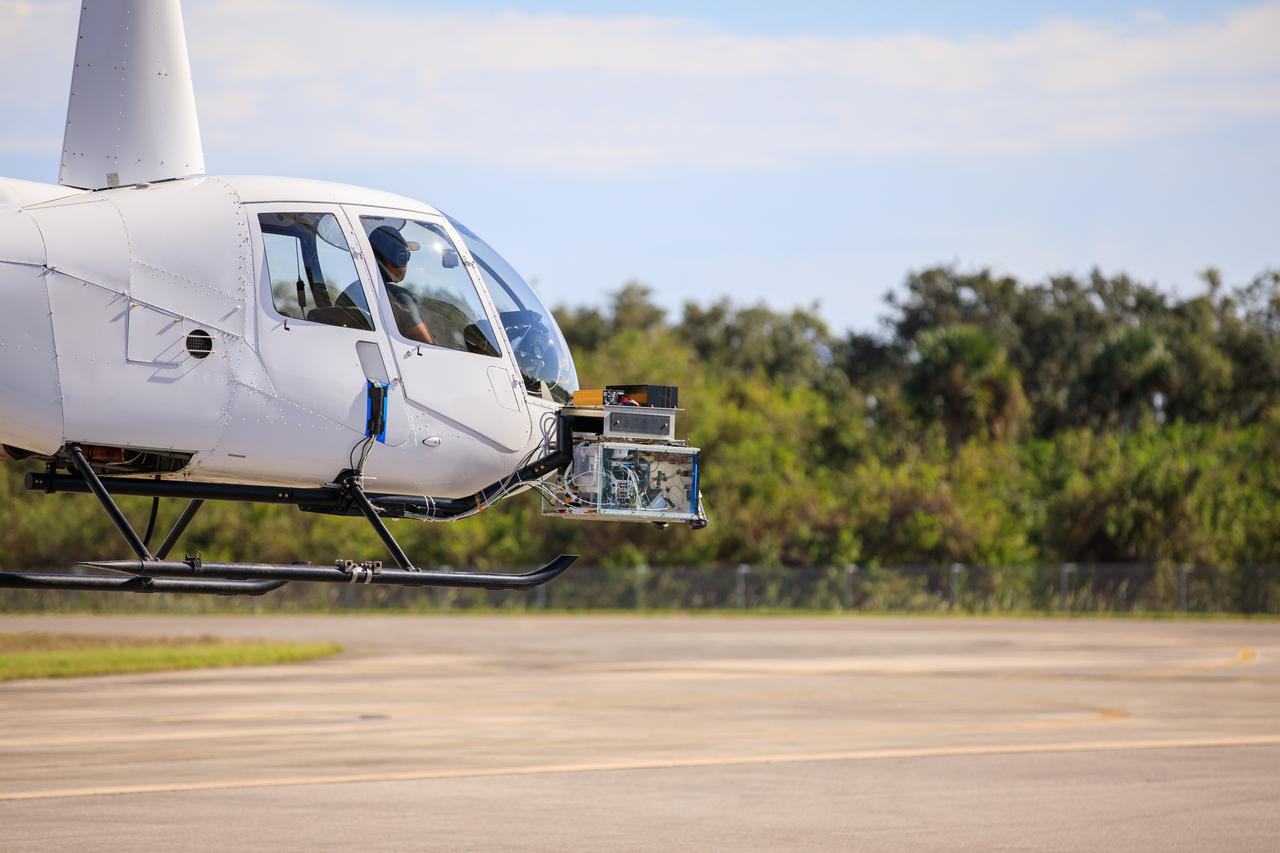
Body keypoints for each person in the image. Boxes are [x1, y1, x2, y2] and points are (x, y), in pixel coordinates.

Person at [367, 225, 434, 345]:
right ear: (398, 257)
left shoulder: (351, 292)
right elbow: (428, 346)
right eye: (406, 255)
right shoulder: (399, 297)